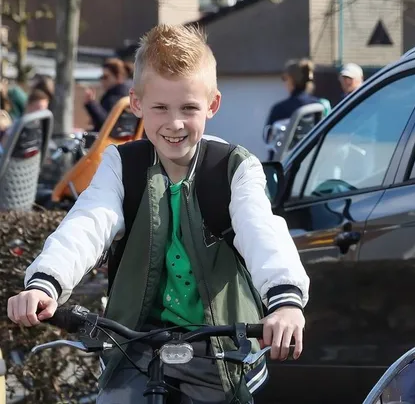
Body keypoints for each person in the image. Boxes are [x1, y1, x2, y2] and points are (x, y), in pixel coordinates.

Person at [6, 24, 310, 403]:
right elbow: (88, 222)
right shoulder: (122, 164)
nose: (174, 123)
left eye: (189, 108)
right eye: (160, 108)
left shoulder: (233, 168)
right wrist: (44, 283)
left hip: (220, 350)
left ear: (213, 105)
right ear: (136, 104)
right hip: (137, 345)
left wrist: (285, 302)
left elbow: (261, 230)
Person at [263, 58, 321, 159]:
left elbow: (269, 138)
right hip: (312, 165)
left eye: (284, 78)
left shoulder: (279, 109)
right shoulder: (318, 107)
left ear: (290, 79)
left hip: (286, 167)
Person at [84, 57, 131, 132]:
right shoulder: (126, 93)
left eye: (105, 77)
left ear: (118, 77)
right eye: (101, 77)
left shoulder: (116, 97)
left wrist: (91, 103)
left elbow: (106, 124)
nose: (102, 80)